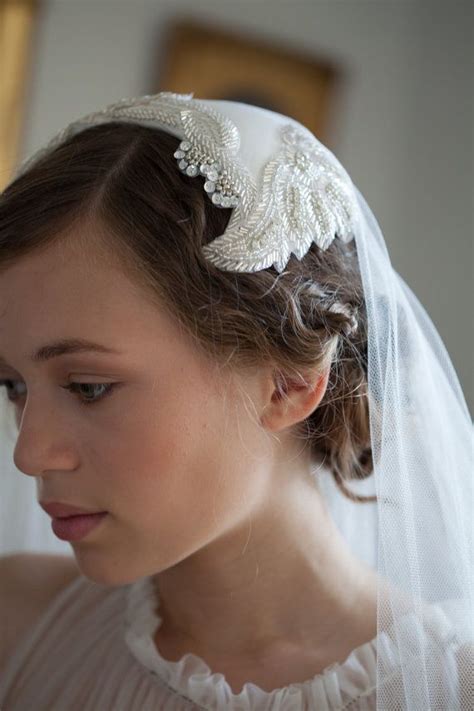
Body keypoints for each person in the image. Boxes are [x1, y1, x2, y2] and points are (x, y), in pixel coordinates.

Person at [0, 92, 471, 710]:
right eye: (13, 386)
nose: (29, 454)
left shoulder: (451, 691)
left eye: (89, 387)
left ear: (289, 381)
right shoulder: (16, 625)